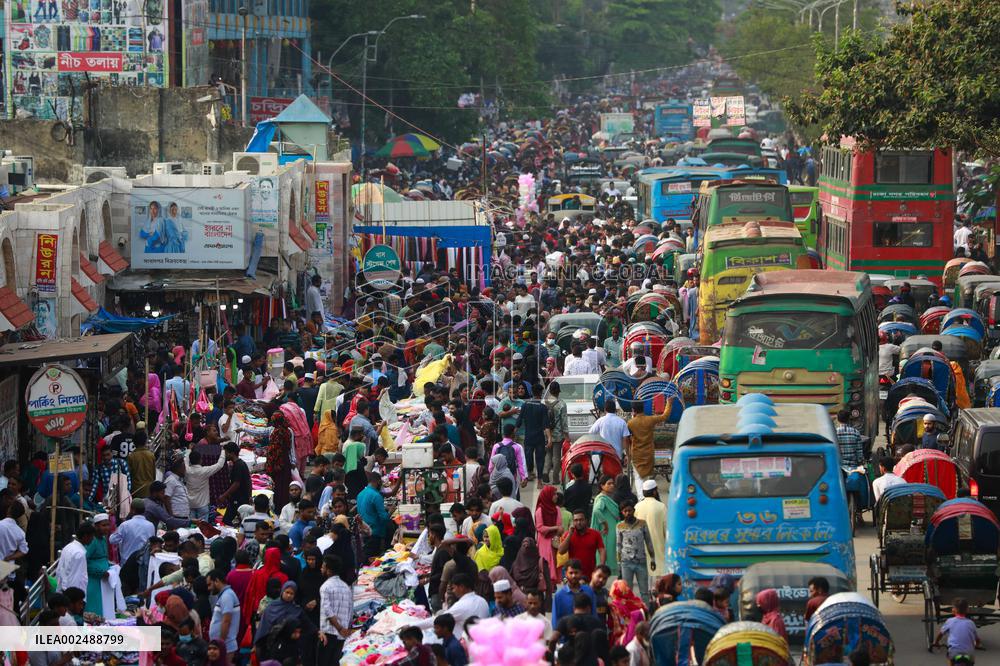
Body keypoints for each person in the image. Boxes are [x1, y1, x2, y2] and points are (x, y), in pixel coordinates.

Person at [626, 399, 672, 492]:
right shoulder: (650, 419)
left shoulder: (630, 423)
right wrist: (669, 403)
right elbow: (664, 416)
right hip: (648, 454)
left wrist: (628, 454)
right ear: (643, 408)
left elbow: (627, 440)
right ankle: (647, 497)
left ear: (633, 410)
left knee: (638, 478)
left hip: (636, 455)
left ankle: (641, 499)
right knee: (647, 478)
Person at [616, 500, 655, 603]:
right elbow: (618, 545)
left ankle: (646, 613)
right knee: (627, 592)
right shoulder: (619, 526)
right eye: (625, 511)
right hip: (626, 562)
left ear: (634, 510)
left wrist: (653, 559)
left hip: (641, 561)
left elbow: (648, 541)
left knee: (644, 592)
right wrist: (619, 564)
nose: (628, 513)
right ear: (622, 513)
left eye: (629, 510)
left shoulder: (642, 523)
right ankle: (630, 614)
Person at [318, 554, 352, 663]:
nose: (321, 568)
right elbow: (350, 611)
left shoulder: (325, 587)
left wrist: (339, 627)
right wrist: (345, 629)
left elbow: (327, 611)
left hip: (328, 633)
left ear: (328, 571)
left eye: (323, 567)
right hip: (342, 635)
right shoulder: (346, 587)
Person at [932, 597, 982, 664]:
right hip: (968, 652)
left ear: (953, 610)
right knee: (971, 661)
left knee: (950, 659)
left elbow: (940, 634)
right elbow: (977, 639)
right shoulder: (971, 623)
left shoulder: (950, 621)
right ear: (967, 610)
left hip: (954, 651)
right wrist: (977, 644)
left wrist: (936, 642)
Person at [559, 509, 605, 579]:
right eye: (576, 520)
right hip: (573, 575)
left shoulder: (595, 534)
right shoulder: (568, 534)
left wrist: (601, 566)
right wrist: (570, 534)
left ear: (586, 520)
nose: (578, 522)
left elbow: (602, 550)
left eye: (581, 520)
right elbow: (561, 551)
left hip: (590, 575)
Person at [551, 558, 596, 629]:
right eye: (571, 573)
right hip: (566, 637)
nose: (573, 576)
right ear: (566, 574)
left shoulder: (589, 591)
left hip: (586, 635)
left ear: (581, 573)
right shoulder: (559, 596)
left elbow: (594, 614)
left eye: (576, 572)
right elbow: (555, 621)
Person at [206, 569, 240, 661]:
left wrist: (220, 644)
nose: (209, 588)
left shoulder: (227, 596)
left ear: (216, 581)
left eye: (210, 584)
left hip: (226, 646)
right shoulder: (225, 595)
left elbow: (226, 621)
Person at [357, 473, 392, 557]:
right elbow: (384, 518)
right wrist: (390, 511)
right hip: (375, 533)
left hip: (363, 533)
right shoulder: (376, 495)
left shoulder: (360, 494)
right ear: (379, 482)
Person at [109, 499, 155, 564]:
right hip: (143, 562)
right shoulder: (151, 525)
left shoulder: (125, 525)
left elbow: (112, 540)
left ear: (132, 510)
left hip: (127, 563)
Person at [591, 475, 620, 571]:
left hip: (610, 531)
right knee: (608, 552)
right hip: (608, 532)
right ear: (602, 486)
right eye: (609, 484)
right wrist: (605, 524)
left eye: (613, 483)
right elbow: (596, 510)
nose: (612, 485)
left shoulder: (605, 497)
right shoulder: (602, 499)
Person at [56, 521, 93, 594]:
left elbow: (60, 570)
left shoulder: (68, 546)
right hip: (72, 593)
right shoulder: (80, 553)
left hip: (62, 588)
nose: (92, 539)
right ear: (86, 536)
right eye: (92, 537)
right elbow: (78, 578)